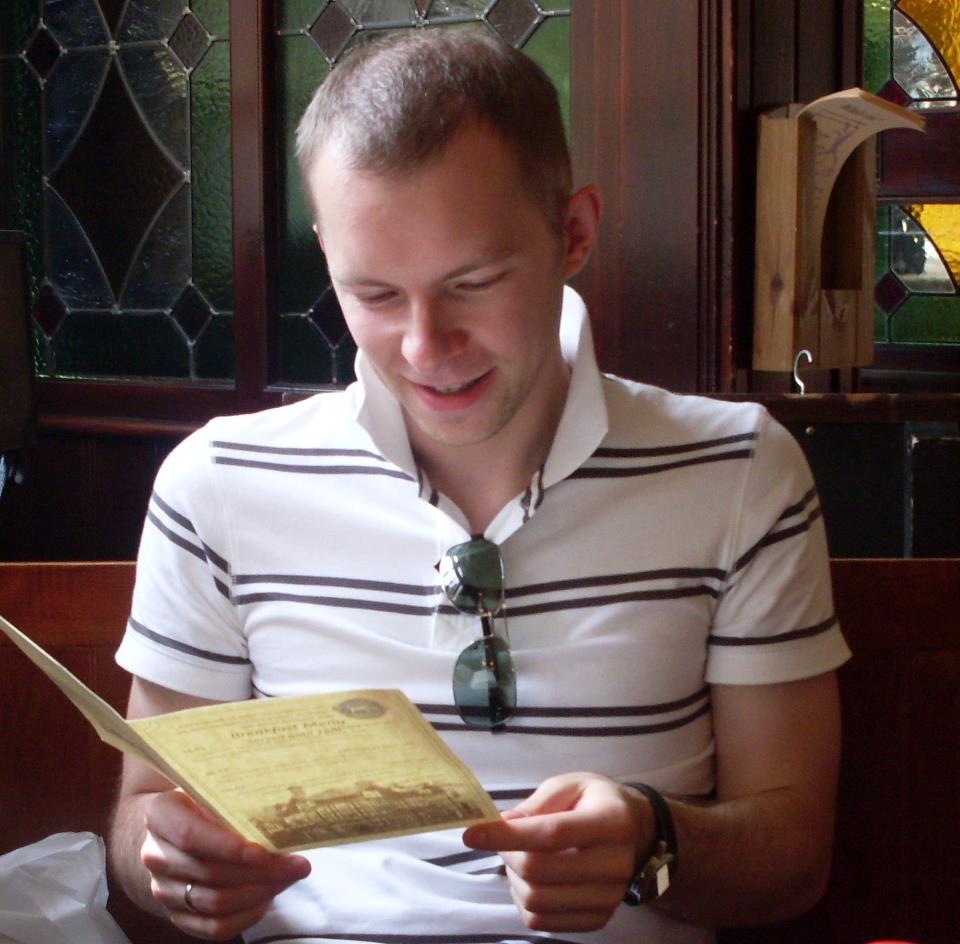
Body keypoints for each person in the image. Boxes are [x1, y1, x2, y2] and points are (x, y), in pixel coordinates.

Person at [108, 26, 851, 944]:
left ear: (574, 233)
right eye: (375, 295)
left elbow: (795, 858)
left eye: (475, 282)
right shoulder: (217, 484)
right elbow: (141, 819)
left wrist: (651, 843)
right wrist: (175, 867)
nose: (426, 349)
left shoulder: (738, 471)